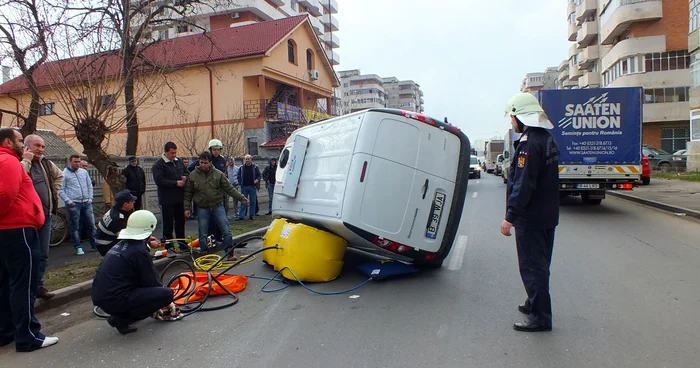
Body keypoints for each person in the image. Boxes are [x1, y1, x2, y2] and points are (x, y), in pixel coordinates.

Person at [501, 92, 560, 332]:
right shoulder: (547, 139)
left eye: (512, 117)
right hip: (547, 215)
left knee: (531, 266)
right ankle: (533, 302)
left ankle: (540, 318)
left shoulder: (528, 145)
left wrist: (509, 217)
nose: (511, 122)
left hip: (531, 217)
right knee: (541, 264)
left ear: (521, 117)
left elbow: (524, 185)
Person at [0, 128, 59, 352]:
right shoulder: (9, 161)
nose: (22, 145)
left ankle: (6, 331)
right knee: (23, 284)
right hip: (18, 229)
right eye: (18, 140)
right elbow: (6, 195)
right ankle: (28, 336)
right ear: (7, 141)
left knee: (6, 282)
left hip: (10, 230)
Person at [92, 210, 180, 335]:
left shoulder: (121, 245)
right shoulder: (139, 251)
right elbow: (151, 281)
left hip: (102, 296)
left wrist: (148, 241)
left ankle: (122, 314)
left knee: (149, 291)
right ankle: (121, 319)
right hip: (115, 299)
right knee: (165, 294)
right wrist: (166, 301)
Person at [20, 134, 64, 301]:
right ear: (27, 146)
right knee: (29, 255)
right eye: (37, 145)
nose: (40, 149)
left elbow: (60, 176)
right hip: (27, 218)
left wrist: (54, 191)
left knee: (43, 254)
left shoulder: (46, 163)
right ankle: (27, 289)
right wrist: (26, 160)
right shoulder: (20, 162)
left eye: (42, 146)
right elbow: (17, 178)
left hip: (45, 216)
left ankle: (38, 286)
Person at [185, 152, 248, 258]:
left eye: (206, 163)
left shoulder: (218, 174)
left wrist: (240, 197)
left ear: (210, 163)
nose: (203, 165)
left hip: (217, 205)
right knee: (203, 231)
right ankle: (204, 253)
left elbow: (229, 188)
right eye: (201, 162)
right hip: (202, 207)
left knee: (225, 229)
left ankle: (229, 252)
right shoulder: (193, 176)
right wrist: (186, 208)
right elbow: (188, 193)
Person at [152, 142, 189, 252]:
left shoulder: (178, 163)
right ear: (166, 152)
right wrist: (175, 183)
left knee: (180, 222)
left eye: (175, 152)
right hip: (167, 199)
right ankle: (169, 245)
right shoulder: (158, 165)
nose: (174, 155)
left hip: (179, 197)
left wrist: (185, 178)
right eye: (172, 153)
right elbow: (159, 181)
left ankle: (182, 243)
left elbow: (187, 172)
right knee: (168, 224)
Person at [188, 139, 227, 241]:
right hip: (204, 196)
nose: (216, 152)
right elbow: (190, 170)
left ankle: (219, 237)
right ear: (210, 150)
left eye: (218, 150)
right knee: (207, 221)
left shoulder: (222, 160)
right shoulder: (204, 160)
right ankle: (209, 239)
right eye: (214, 150)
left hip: (218, 194)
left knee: (219, 219)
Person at [58, 154, 97, 255]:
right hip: (74, 204)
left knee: (91, 225)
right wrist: (69, 201)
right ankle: (78, 247)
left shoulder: (83, 172)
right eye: (75, 162)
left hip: (86, 203)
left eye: (79, 161)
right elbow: (61, 190)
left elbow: (89, 185)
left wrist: (90, 198)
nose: (78, 164)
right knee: (75, 226)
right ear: (70, 162)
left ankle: (94, 245)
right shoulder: (64, 174)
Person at [95, 190, 137, 256]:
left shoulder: (116, 210)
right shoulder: (118, 219)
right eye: (132, 201)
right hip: (106, 246)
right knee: (135, 246)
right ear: (125, 204)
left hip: (105, 242)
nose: (134, 202)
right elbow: (128, 237)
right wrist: (148, 242)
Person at [237, 154, 261, 221]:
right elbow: (238, 176)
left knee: (253, 201)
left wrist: (257, 180)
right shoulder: (241, 167)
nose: (247, 160)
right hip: (244, 187)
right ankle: (241, 216)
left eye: (248, 159)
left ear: (251, 159)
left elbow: (259, 175)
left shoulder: (255, 167)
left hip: (252, 187)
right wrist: (240, 182)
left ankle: (252, 215)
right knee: (243, 201)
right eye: (246, 159)